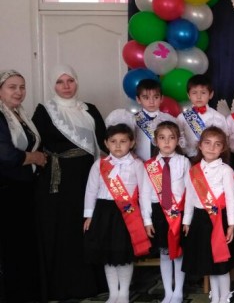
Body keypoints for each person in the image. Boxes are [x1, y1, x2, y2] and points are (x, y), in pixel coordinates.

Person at [32, 65, 107, 300]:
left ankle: (91, 283)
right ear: (52, 85)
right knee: (61, 229)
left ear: (76, 82)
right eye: (60, 82)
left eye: (70, 81)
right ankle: (61, 286)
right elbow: (35, 144)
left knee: (85, 225)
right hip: (57, 181)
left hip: (86, 178)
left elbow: (104, 142)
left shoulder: (89, 109)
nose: (66, 86)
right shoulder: (44, 111)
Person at [83, 124, 150, 303]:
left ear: (132, 143)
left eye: (123, 141)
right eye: (113, 141)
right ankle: (113, 293)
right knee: (108, 256)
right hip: (103, 213)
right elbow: (91, 190)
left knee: (123, 255)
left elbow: (144, 192)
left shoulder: (137, 165)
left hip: (127, 214)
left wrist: (146, 219)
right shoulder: (99, 164)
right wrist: (89, 215)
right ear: (106, 143)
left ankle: (124, 293)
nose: (118, 145)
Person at [0, 69, 46, 302]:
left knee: (24, 246)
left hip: (24, 189)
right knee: (12, 247)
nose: (18, 92)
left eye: (22, 87)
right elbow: (6, 155)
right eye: (12, 87)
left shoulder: (19, 114)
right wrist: (34, 157)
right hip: (7, 190)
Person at [182, 126, 234, 303]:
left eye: (217, 144)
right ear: (200, 145)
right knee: (209, 260)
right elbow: (190, 197)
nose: (212, 148)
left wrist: (232, 225)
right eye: (207, 143)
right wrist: (187, 221)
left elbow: (231, 199)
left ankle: (224, 296)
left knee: (221, 261)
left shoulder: (226, 170)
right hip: (200, 220)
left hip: (219, 219)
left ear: (223, 148)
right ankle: (215, 296)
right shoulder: (194, 170)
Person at [140, 121, 189, 303]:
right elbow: (145, 193)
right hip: (158, 213)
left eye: (171, 138)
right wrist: (147, 220)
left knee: (179, 252)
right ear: (155, 141)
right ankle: (168, 291)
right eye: (162, 138)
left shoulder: (184, 162)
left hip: (178, 213)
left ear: (178, 140)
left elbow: (190, 192)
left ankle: (178, 292)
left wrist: (187, 219)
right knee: (165, 253)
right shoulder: (150, 165)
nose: (167, 142)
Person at [105, 79, 177, 161]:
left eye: (156, 97)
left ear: (161, 98)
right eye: (146, 98)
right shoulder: (132, 119)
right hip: (139, 163)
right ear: (138, 99)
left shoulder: (169, 120)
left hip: (163, 163)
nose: (151, 102)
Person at [177, 75, 229, 158]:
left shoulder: (219, 117)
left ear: (211, 94)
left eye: (203, 93)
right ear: (188, 95)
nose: (199, 97)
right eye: (194, 93)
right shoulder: (182, 117)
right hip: (190, 157)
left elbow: (225, 140)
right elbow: (177, 139)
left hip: (213, 157)